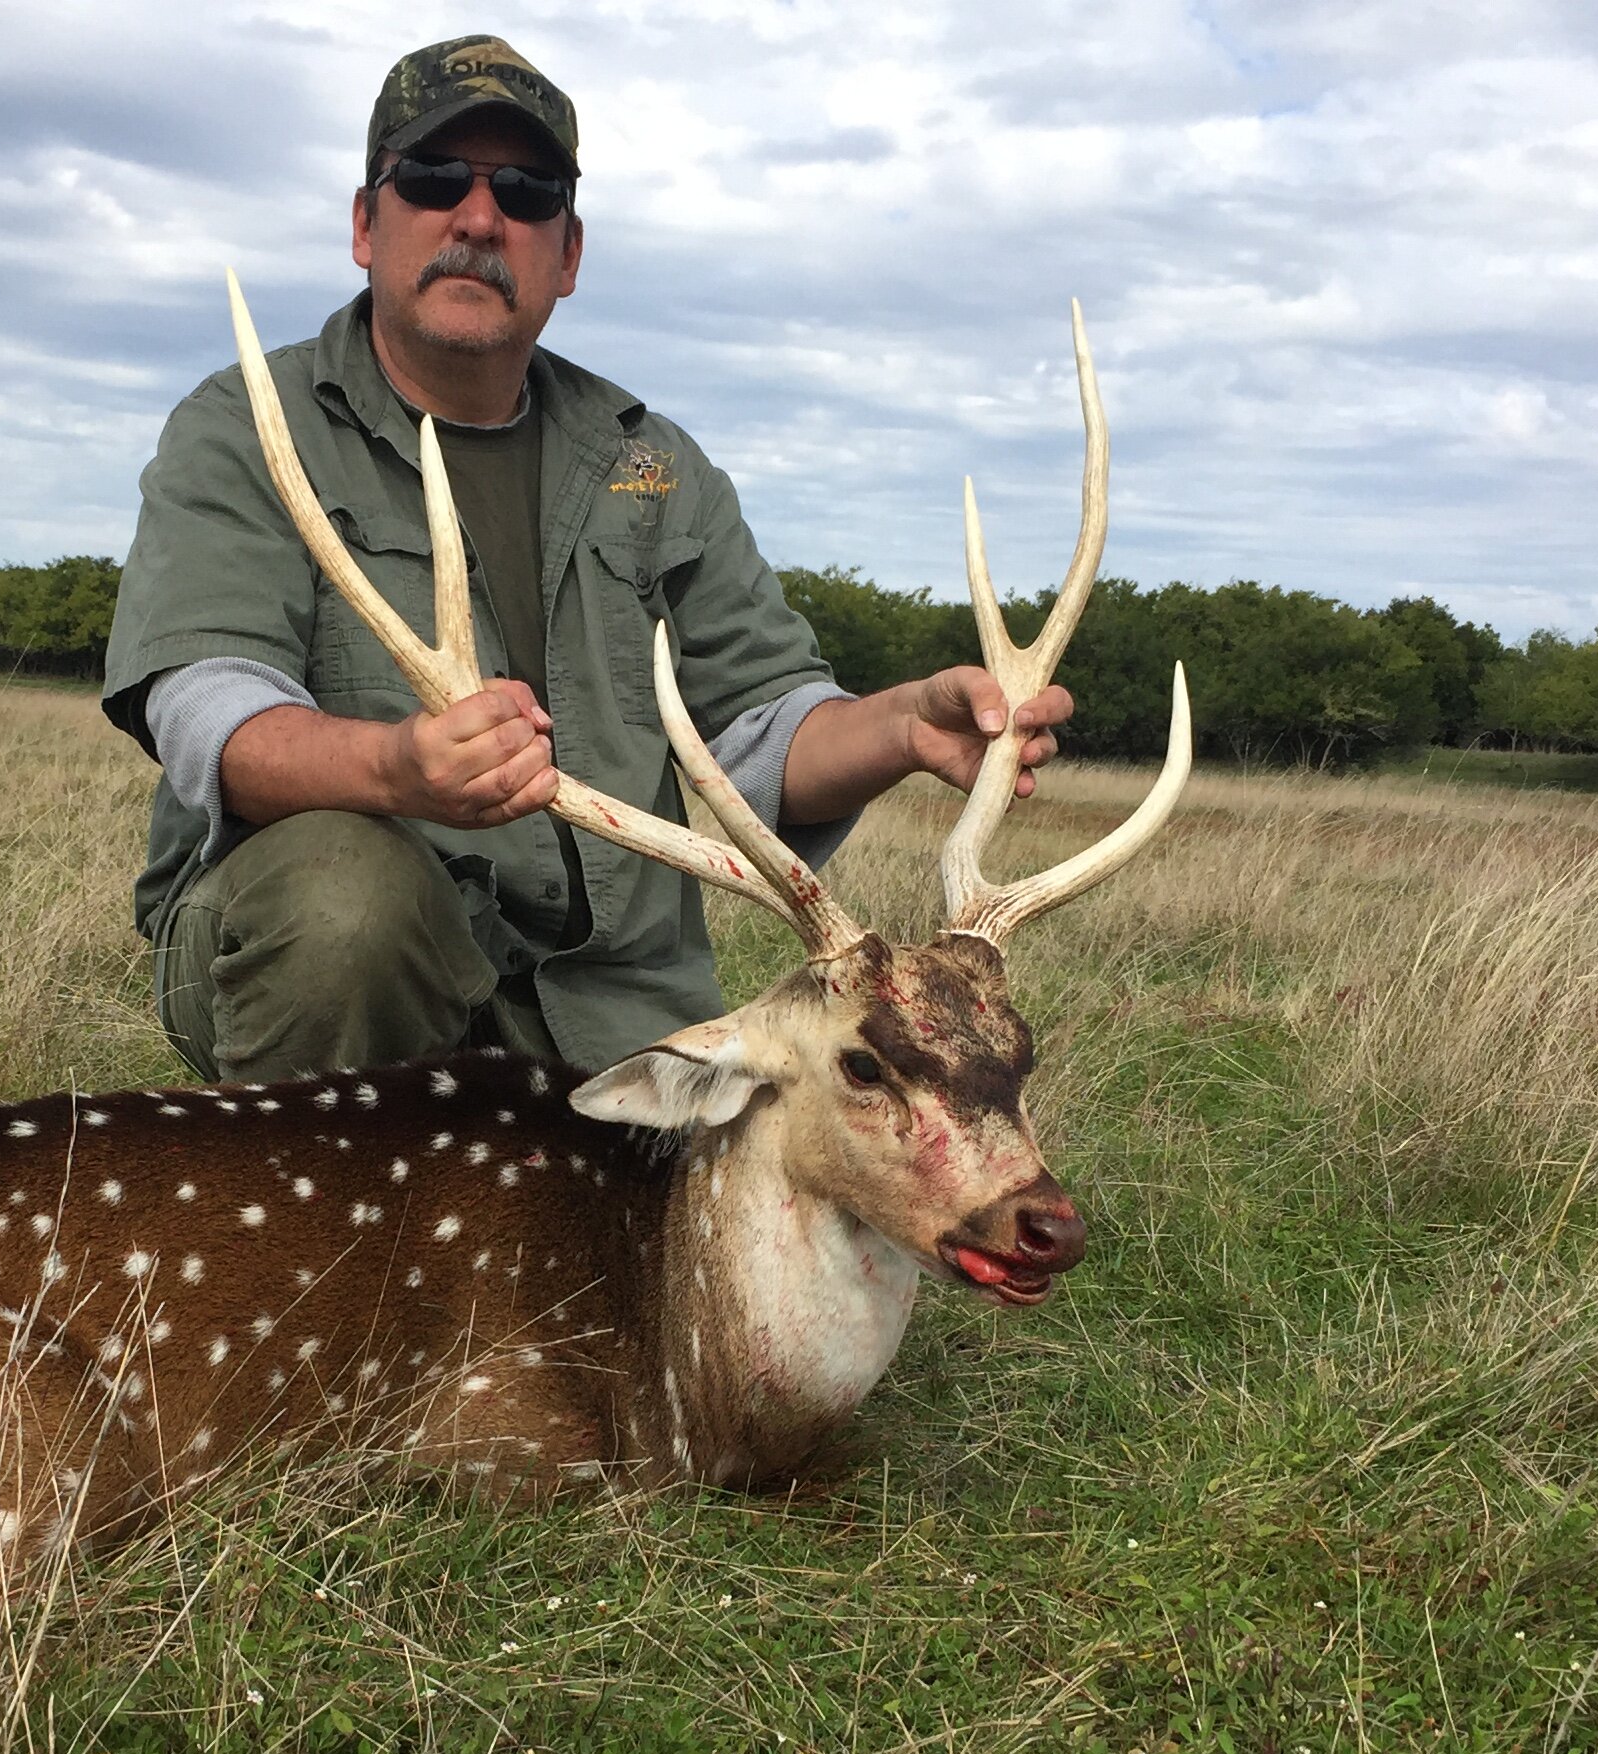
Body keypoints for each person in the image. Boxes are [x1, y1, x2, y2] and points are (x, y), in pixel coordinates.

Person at [102, 34, 1076, 1084]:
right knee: (349, 901)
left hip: (618, 1001)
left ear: (567, 254)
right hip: (337, 962)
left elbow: (763, 731)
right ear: (363, 224)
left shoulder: (650, 463)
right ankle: (322, 1233)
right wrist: (396, 770)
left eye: (525, 194)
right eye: (433, 179)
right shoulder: (249, 425)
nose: (479, 219)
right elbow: (210, 708)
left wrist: (902, 726)